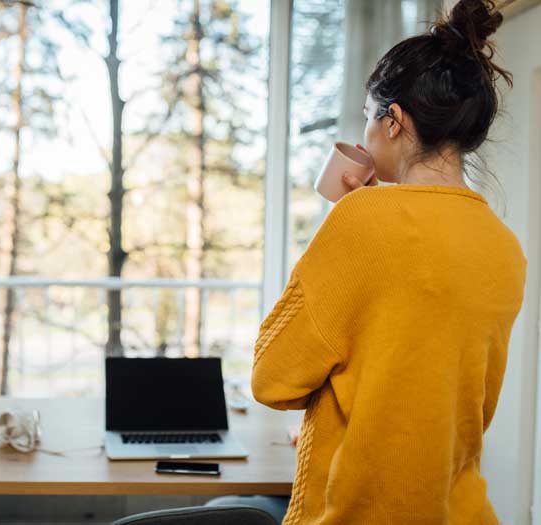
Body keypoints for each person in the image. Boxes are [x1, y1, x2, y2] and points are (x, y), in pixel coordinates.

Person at [205, 0, 525, 523]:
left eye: (365, 116)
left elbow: (272, 378)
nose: (364, 133)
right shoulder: (503, 245)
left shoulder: (361, 222)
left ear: (393, 120)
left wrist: (348, 218)